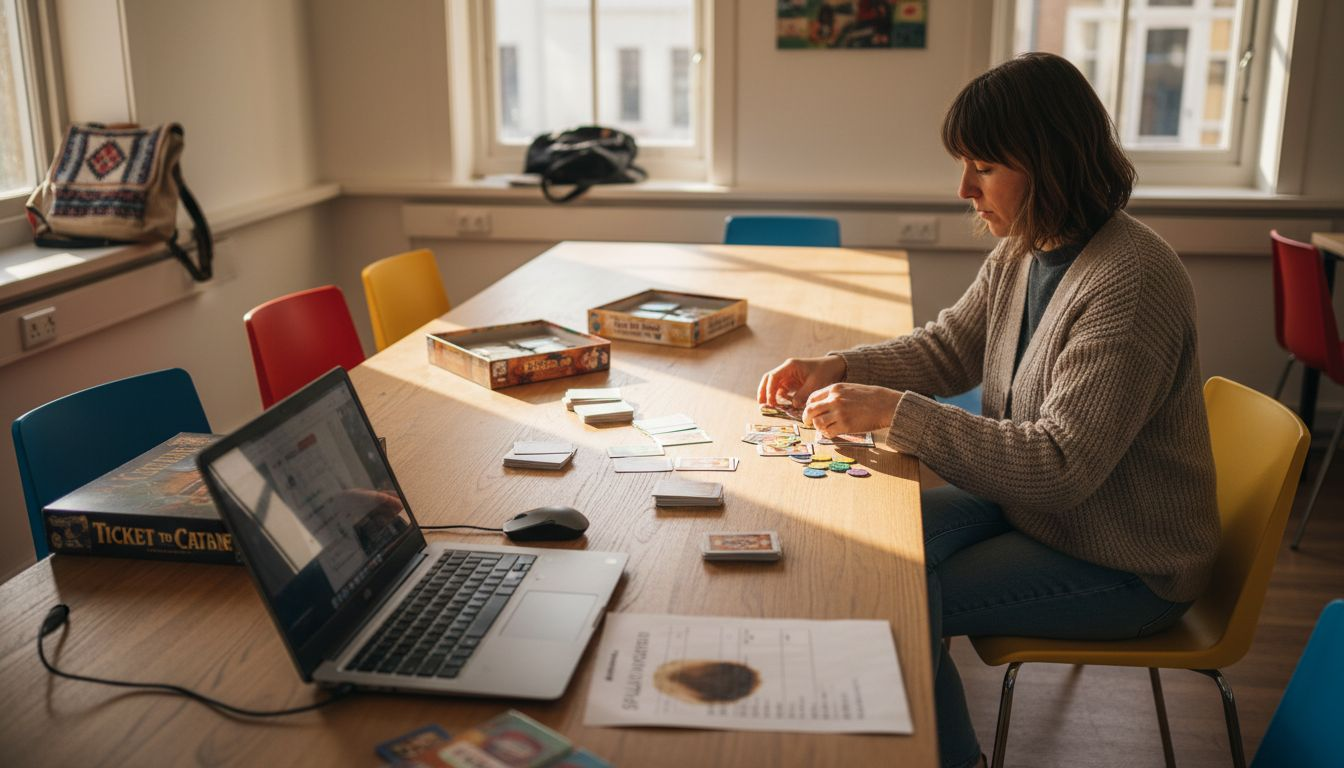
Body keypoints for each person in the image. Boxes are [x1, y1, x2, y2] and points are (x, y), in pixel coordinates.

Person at [757, 52, 1218, 768]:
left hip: (1124, 558)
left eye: (985, 167)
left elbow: (1061, 467)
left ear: (1050, 163)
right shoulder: (1029, 246)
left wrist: (895, 412)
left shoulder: (1130, 282)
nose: (964, 189)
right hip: (1028, 511)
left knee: (899, 597)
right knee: (869, 557)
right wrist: (843, 366)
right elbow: (949, 348)